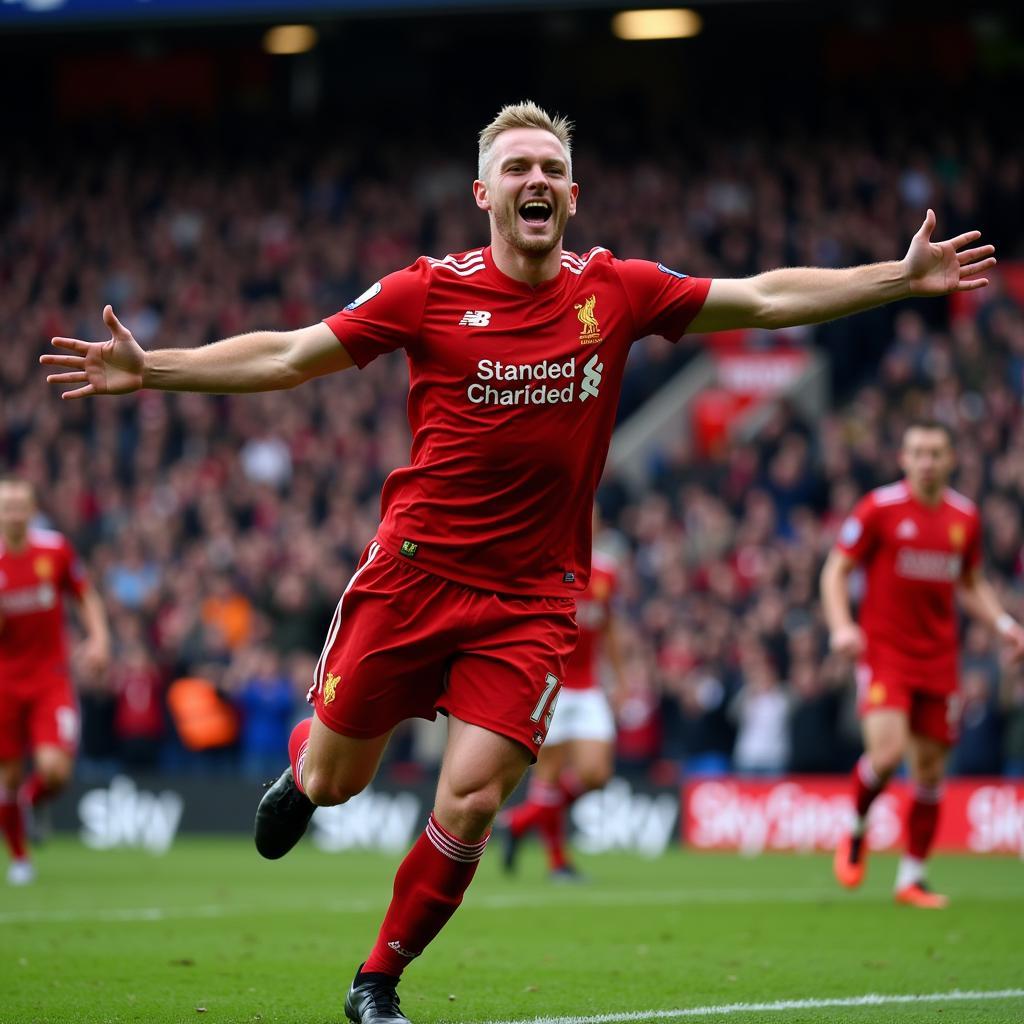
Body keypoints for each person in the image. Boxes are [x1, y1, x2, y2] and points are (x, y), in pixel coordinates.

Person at [42, 101, 996, 1021]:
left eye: (551, 169)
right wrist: (151, 366)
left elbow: (762, 297)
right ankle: (302, 775)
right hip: (411, 577)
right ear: (483, 193)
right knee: (340, 781)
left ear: (571, 195)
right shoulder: (427, 290)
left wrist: (894, 278)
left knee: (472, 794)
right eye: (518, 169)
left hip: (533, 600)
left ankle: (378, 980)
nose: (535, 180)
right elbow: (293, 354)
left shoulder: (615, 290)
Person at [821, 420, 1024, 908]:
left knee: (931, 772)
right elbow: (836, 568)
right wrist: (842, 626)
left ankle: (911, 878)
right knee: (888, 756)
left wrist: (1003, 624)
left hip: (938, 658)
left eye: (935, 452)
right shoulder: (879, 509)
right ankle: (855, 827)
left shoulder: (964, 518)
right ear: (904, 459)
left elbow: (970, 582)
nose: (926, 461)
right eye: (918, 452)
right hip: (885, 652)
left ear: (951, 459)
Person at [0, 477, 110, 885]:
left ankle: (33, 800)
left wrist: (99, 640)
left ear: (30, 510)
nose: (12, 512)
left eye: (18, 505)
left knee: (55, 771)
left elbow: (85, 594)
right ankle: (20, 858)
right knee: (7, 776)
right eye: (6, 506)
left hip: (50, 678)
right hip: (4, 682)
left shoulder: (54, 549)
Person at [501, 545, 625, 880]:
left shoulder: (606, 572)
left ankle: (519, 821)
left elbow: (610, 627)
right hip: (552, 682)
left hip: (589, 688)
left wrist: (621, 678)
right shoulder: (544, 560)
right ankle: (558, 864)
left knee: (597, 773)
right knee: (549, 777)